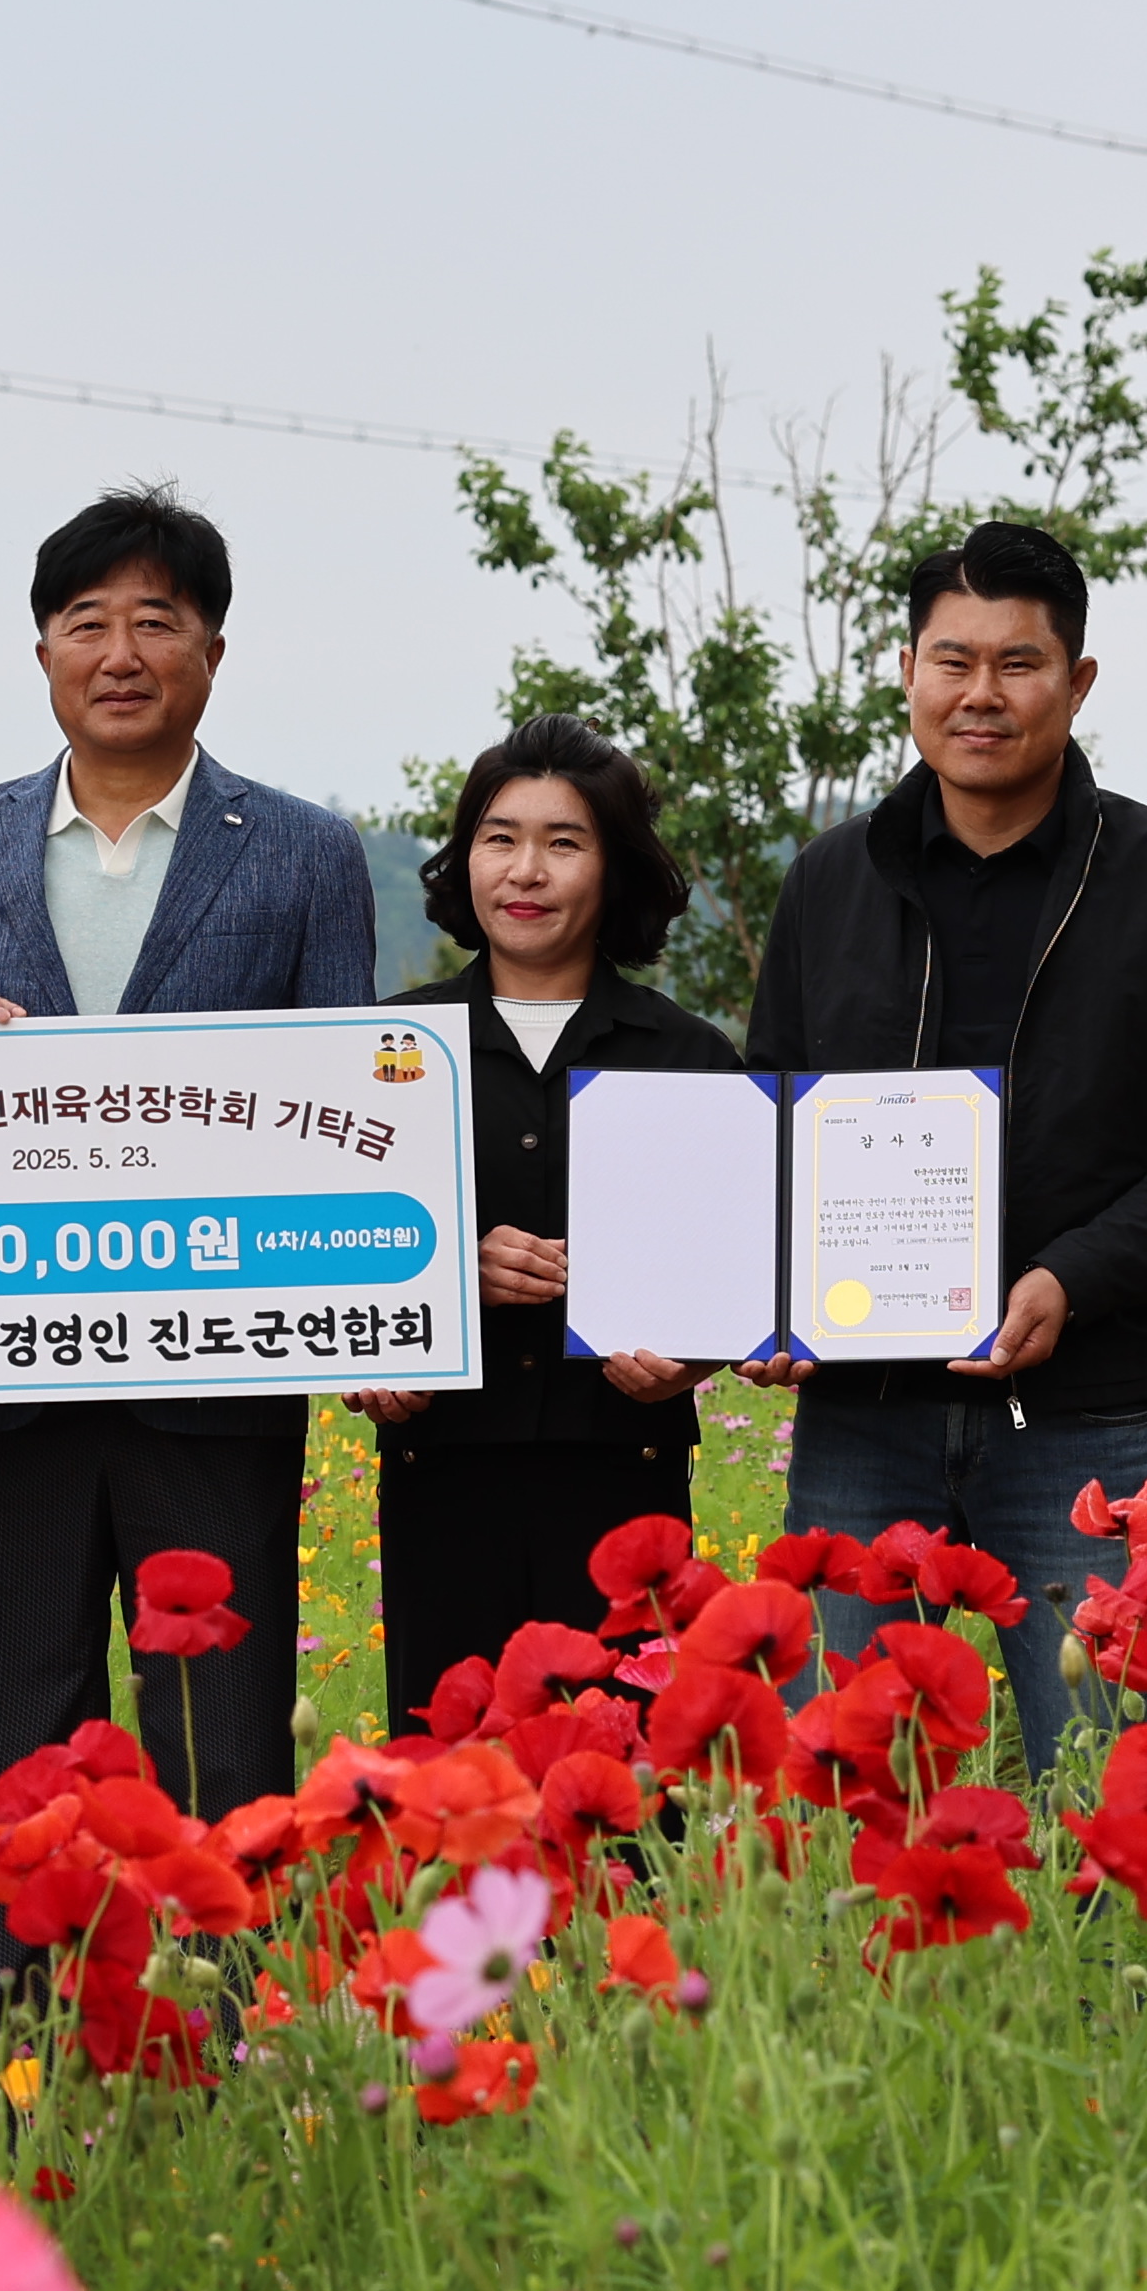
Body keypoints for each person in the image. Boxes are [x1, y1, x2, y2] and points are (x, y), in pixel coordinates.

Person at [740, 516, 1147, 1774]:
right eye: (953, 660)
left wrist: (1070, 1280)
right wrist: (761, 1302)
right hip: (859, 1418)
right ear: (907, 671)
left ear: (1077, 680)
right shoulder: (830, 882)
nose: (980, 694)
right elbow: (766, 1118)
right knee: (842, 1784)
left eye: (1018, 663)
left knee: (1108, 1790)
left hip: (1084, 1417)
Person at [0, 485, 385, 1813]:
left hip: (218, 1383)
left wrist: (377, 1324)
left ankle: (224, 2019)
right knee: (14, 1742)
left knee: (217, 1744)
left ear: (211, 653)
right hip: (1, 1373)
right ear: (42, 650)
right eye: (85, 622)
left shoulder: (303, 854)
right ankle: (23, 2022)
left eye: (155, 623)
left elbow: (357, 1118)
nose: (119, 654)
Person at [348, 717, 735, 1731]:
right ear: (463, 856)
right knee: (452, 1780)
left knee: (630, 1791)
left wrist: (697, 1353)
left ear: (615, 869)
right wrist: (431, 1286)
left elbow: (734, 1269)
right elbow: (331, 1266)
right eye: (498, 836)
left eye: (565, 842)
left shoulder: (690, 1057)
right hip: (443, 1475)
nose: (525, 870)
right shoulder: (386, 1052)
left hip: (626, 1475)